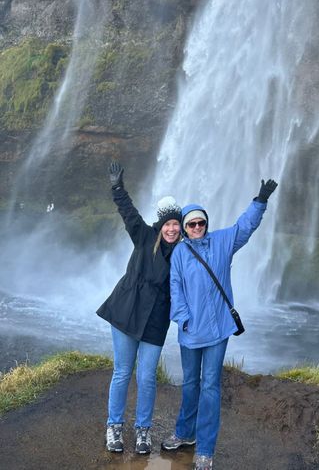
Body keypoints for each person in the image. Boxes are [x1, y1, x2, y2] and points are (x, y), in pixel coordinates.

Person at [162, 178, 278, 470]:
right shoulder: (180, 253)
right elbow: (175, 290)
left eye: (201, 223)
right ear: (185, 230)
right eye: (192, 225)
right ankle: (184, 434)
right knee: (190, 384)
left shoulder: (223, 242)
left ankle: (205, 449)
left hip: (217, 333)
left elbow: (244, 226)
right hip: (190, 331)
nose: (197, 227)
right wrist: (183, 319)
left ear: (206, 223)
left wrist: (260, 200)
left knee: (210, 386)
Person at [96, 161, 182, 455]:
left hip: (156, 321)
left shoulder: (184, 255)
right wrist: (117, 188)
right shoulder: (145, 236)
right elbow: (128, 214)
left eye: (176, 224)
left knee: (146, 377)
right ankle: (114, 426)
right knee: (122, 372)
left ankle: (143, 431)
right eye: (168, 224)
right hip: (126, 311)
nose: (172, 228)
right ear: (161, 225)